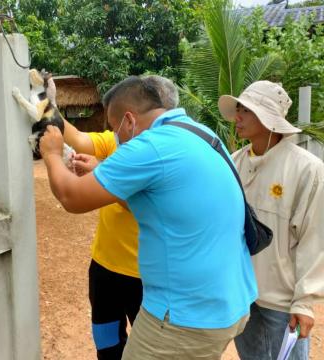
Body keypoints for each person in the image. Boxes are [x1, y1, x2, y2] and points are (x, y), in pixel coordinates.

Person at [40, 75, 257, 359]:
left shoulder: (150, 146)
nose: (114, 135)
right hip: (228, 303)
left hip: (184, 315)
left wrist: (52, 154)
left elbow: (72, 197)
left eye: (114, 127)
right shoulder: (202, 135)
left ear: (128, 121)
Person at [61, 75, 178, 359]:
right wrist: (46, 104)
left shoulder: (168, 153)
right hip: (105, 267)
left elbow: (143, 205)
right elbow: (76, 138)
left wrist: (101, 172)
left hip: (147, 277)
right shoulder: (118, 141)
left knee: (149, 350)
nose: (114, 132)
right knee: (106, 341)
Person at [218, 80, 324, 360]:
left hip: (282, 302)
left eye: (246, 111)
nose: (237, 117)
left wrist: (304, 302)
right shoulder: (234, 162)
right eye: (237, 109)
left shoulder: (307, 169)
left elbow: (315, 239)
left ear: (269, 119)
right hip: (242, 295)